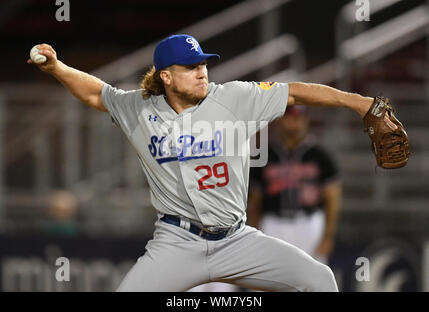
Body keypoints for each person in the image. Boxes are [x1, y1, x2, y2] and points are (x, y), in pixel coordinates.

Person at [27, 34, 396, 292]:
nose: (202, 70)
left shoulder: (234, 98)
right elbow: (97, 94)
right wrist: (58, 68)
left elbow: (296, 91)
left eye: (203, 63)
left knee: (320, 281)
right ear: (166, 77)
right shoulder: (139, 109)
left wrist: (362, 104)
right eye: (190, 66)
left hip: (236, 238)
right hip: (176, 242)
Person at [247, 106, 342, 265]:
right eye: (290, 117)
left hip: (309, 223)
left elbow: (332, 199)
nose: (295, 122)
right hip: (273, 223)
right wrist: (253, 231)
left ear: (306, 120)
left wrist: (328, 236)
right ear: (280, 120)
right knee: (270, 280)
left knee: (312, 279)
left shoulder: (319, 155)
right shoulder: (265, 155)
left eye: (299, 117)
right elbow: (255, 200)